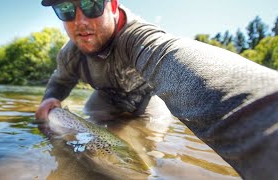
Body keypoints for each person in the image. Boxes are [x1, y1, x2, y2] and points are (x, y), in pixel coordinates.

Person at [35, 0, 278, 179]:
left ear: (112, 4)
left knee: (149, 140)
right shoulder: (69, 54)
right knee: (78, 135)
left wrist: (266, 119)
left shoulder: (140, 37)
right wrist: (50, 99)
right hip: (104, 98)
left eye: (91, 5)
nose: (81, 21)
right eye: (65, 9)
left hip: (147, 99)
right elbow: (60, 81)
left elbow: (177, 61)